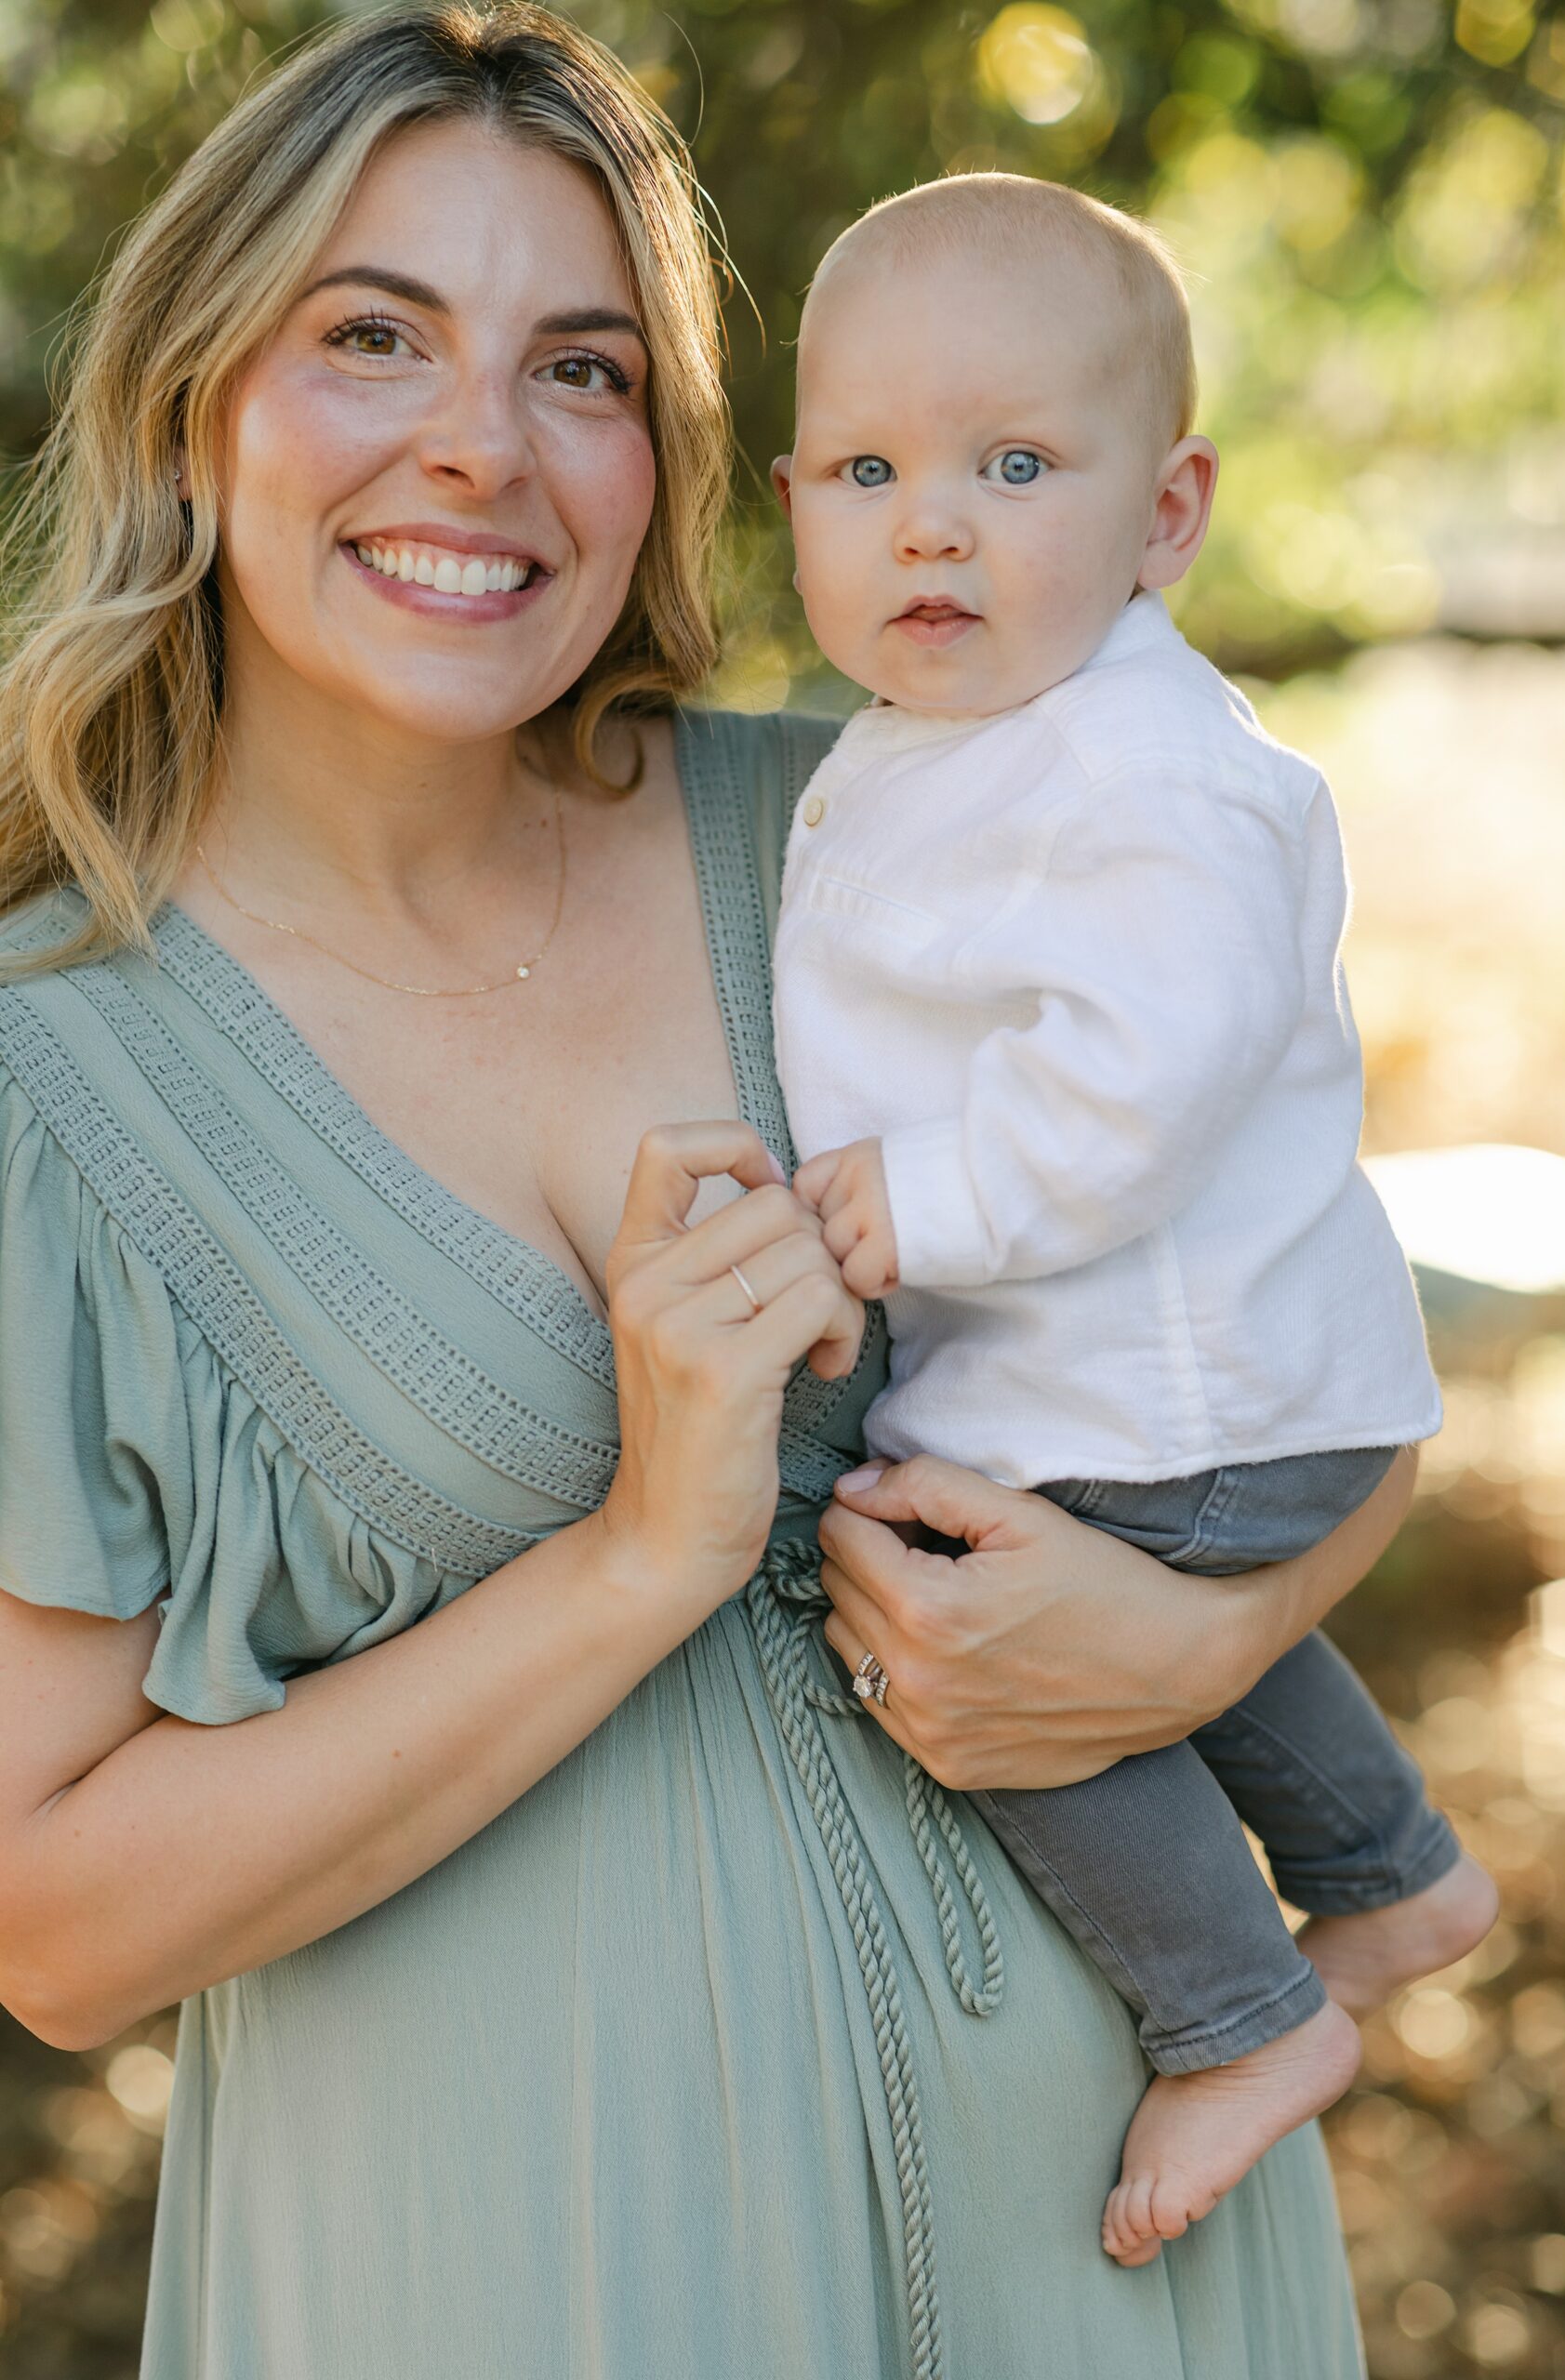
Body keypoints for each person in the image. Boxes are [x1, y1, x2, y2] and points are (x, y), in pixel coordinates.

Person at [0, 10, 1406, 2375]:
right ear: (190, 398)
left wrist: (1205, 1644)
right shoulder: (59, 1071)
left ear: (667, 461)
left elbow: (1292, 1333)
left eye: (581, 367)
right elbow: (54, 1922)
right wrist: (643, 1549)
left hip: (1127, 2255)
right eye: (372, 335)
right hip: (518, 2276)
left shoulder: (876, 831)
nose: (481, 444)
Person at [770, 173, 1497, 2268]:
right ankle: (1389, 1876)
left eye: (1012, 465)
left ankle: (1239, 2009)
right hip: (1192, 1394)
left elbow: (1140, 1082)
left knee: (963, 1634)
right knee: (1109, 1596)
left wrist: (921, 1196)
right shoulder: (947, 744)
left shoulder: (1147, 773)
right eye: (867, 467)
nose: (930, 521)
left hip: (1177, 1402)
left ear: (1164, 514)